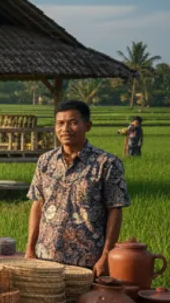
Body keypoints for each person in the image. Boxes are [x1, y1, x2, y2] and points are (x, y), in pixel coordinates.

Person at [27, 100, 129, 274]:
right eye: (60, 123)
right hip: (46, 257)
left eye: (73, 123)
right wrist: (30, 248)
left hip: (88, 261)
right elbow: (38, 204)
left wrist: (106, 256)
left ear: (87, 126)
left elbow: (115, 210)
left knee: (86, 302)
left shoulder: (107, 163)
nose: (65, 129)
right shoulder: (45, 161)